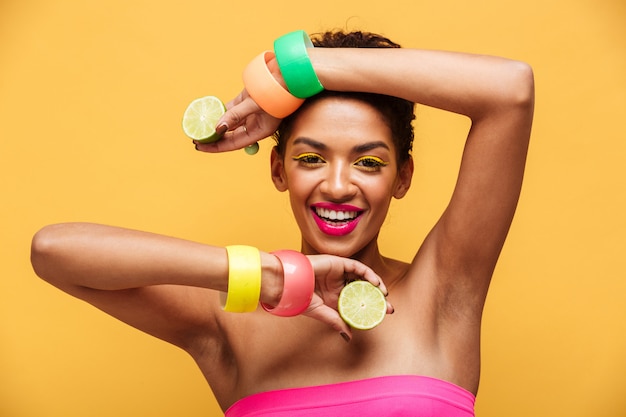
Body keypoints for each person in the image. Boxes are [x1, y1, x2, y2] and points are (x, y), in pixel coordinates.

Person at [30, 30, 534, 416]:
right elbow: (53, 250)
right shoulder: (230, 321)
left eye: (369, 162)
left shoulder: (444, 293)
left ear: (402, 178)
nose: (338, 186)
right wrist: (267, 276)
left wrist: (302, 70)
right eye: (311, 158)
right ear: (279, 170)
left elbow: (510, 90)